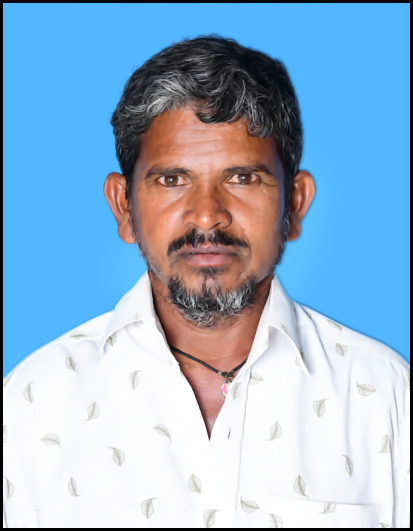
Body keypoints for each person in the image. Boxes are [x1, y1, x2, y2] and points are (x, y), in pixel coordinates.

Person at [3, 35, 409, 529]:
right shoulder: (32, 405)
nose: (207, 215)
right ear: (124, 207)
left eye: (242, 178)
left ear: (295, 204)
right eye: (172, 180)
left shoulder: (385, 397)